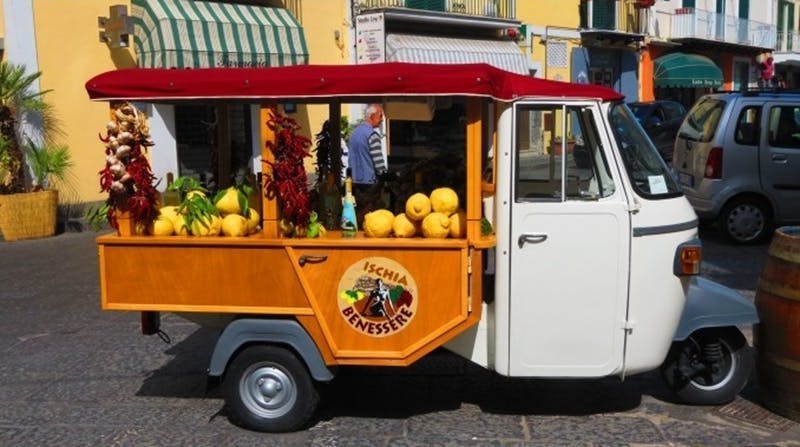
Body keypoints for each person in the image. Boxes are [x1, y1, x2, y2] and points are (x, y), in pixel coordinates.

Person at [347, 104, 386, 190]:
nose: (382, 119)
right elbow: (379, 164)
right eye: (380, 116)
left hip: (353, 181)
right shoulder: (372, 135)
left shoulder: (353, 133)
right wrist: (386, 177)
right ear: (372, 116)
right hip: (369, 182)